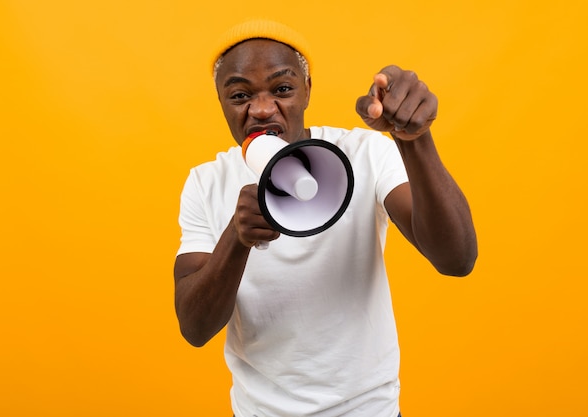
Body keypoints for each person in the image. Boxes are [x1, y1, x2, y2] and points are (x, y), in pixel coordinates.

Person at [174, 19, 477, 417]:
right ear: (220, 101)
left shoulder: (363, 153)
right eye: (239, 95)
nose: (262, 109)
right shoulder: (205, 183)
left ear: (307, 90)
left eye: (282, 89)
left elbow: (457, 259)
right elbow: (194, 328)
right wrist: (237, 237)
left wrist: (413, 139)